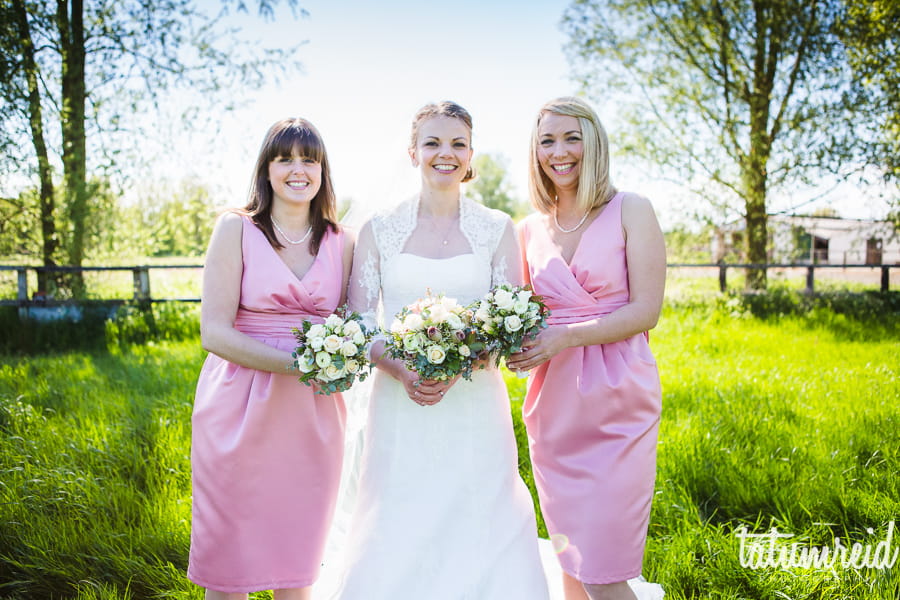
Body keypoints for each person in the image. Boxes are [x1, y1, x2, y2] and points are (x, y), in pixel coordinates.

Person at [330, 101, 550, 599]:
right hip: (398, 399)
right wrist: (403, 369)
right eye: (432, 143)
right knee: (400, 507)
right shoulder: (378, 229)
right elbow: (360, 322)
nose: (444, 154)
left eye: (457, 144)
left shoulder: (496, 228)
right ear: (413, 152)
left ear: (471, 155)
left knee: (480, 507)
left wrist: (457, 363)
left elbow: (504, 318)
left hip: (474, 401)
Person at [506, 97, 666, 600]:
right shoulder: (528, 229)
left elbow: (646, 312)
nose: (560, 151)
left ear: (593, 142)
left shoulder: (631, 210)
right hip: (554, 406)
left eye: (571, 137)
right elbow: (519, 314)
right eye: (547, 140)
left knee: (604, 568)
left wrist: (567, 335)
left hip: (619, 398)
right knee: (571, 560)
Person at [188, 117, 354, 599]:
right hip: (238, 406)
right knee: (228, 562)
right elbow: (213, 332)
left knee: (296, 566)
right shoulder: (236, 229)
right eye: (285, 158)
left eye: (309, 158)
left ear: (323, 170)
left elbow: (352, 327)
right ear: (267, 168)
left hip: (312, 415)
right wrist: (296, 365)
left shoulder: (342, 241)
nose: (297, 169)